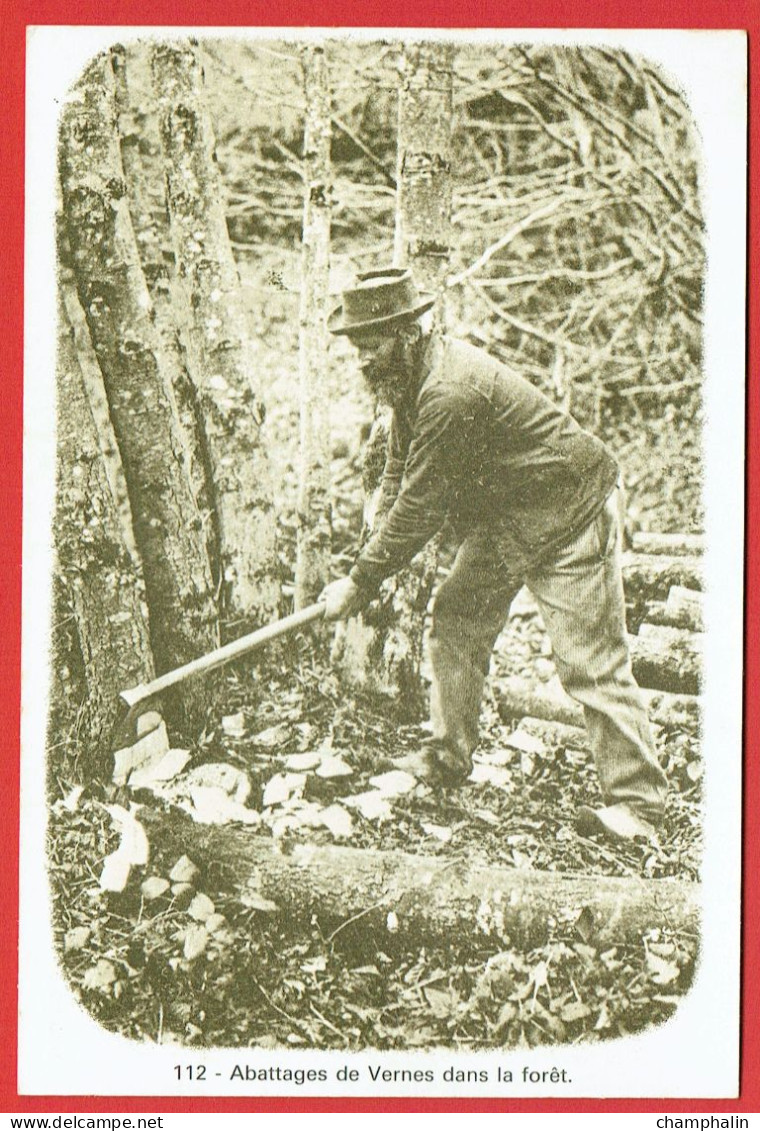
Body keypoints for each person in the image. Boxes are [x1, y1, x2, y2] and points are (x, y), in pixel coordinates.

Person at [320, 267, 668, 842]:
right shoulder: (410, 382)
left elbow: (421, 508)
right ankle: (447, 756)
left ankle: (639, 808)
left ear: (407, 334)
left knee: (589, 662)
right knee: (455, 620)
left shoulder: (450, 392)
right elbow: (398, 475)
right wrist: (364, 564)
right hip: (510, 518)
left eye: (371, 346)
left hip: (568, 511)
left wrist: (359, 580)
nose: (362, 361)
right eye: (356, 348)